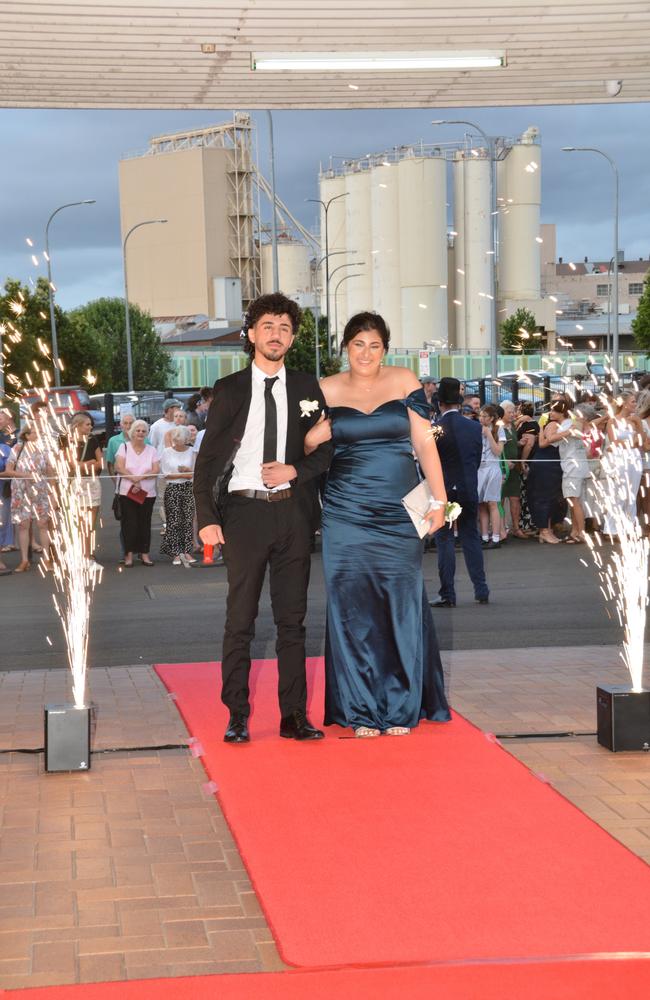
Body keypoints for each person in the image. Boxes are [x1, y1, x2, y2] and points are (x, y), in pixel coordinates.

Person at [193, 292, 332, 744]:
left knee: (293, 620)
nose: (276, 335)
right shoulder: (230, 389)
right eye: (268, 326)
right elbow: (209, 460)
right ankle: (237, 714)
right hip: (244, 512)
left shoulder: (309, 388)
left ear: (292, 339)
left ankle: (293, 715)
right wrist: (205, 517)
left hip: (293, 512)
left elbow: (328, 450)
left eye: (285, 328)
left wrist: (298, 469)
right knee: (241, 620)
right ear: (251, 334)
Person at [305, 311, 450, 738]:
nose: (365, 353)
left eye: (374, 345)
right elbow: (304, 444)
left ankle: (401, 703)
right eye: (357, 344)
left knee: (400, 601)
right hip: (345, 510)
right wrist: (314, 437)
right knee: (351, 606)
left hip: (398, 511)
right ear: (345, 347)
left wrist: (439, 500)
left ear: (385, 349)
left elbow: (425, 443)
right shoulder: (325, 389)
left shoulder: (404, 380)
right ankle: (362, 707)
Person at [429, 377, 489, 608]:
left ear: (439, 403)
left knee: (444, 538)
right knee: (470, 535)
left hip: (444, 489)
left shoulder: (435, 429)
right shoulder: (475, 427)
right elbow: (476, 459)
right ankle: (481, 588)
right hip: (468, 486)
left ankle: (448, 593)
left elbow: (430, 463)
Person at [5, 425, 54, 572]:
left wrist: (53, 492)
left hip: (40, 490)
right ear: (26, 435)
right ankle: (24, 560)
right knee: (23, 525)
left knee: (43, 524)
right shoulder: (17, 449)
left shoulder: (43, 449)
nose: (37, 435)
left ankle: (47, 559)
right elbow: (8, 470)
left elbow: (50, 470)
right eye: (34, 433)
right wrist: (24, 475)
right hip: (21, 490)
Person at [114, 419, 159, 567]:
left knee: (145, 524)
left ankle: (144, 554)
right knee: (129, 524)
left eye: (143, 431)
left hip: (148, 492)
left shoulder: (152, 450)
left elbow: (156, 470)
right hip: (127, 492)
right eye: (138, 430)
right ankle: (129, 555)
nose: (140, 433)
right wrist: (133, 479)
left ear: (147, 433)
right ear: (132, 432)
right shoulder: (124, 447)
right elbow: (119, 467)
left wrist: (141, 478)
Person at [601, 391, 644, 538]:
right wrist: (632, 443)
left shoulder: (635, 420)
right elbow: (614, 442)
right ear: (624, 403)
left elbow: (642, 441)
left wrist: (638, 424)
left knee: (632, 494)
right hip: (619, 459)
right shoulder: (613, 421)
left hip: (635, 458)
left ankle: (629, 527)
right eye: (632, 401)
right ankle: (612, 529)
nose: (635, 404)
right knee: (619, 493)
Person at [65, 412, 103, 562]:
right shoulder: (69, 441)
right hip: (78, 483)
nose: (91, 426)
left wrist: (85, 466)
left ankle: (88, 552)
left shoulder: (93, 440)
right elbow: (72, 464)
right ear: (78, 426)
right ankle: (81, 552)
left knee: (91, 522)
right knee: (80, 521)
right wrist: (88, 464)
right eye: (87, 424)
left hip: (93, 482)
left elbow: (101, 463)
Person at [527, 400, 567, 544]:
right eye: (551, 410)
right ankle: (544, 530)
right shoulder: (553, 424)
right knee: (545, 498)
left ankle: (547, 530)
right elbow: (543, 444)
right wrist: (568, 432)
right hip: (546, 465)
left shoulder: (556, 424)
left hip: (551, 465)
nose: (551, 413)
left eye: (554, 411)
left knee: (551, 498)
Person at [160, 426, 196, 565]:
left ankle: (187, 551)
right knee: (174, 520)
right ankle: (175, 553)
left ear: (186, 439)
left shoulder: (192, 451)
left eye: (179, 439)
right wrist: (185, 474)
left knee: (188, 519)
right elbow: (166, 474)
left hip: (188, 488)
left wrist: (187, 472)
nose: (176, 441)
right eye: (175, 438)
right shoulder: (166, 452)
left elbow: (193, 473)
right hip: (173, 488)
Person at [477, 404, 506, 548]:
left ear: (492, 418)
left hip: (492, 468)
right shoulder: (475, 429)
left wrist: (488, 434)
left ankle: (495, 537)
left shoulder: (499, 430)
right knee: (481, 503)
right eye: (480, 416)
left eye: (485, 416)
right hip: (479, 469)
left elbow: (498, 452)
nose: (481, 419)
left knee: (492, 503)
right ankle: (484, 535)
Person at [500, 400, 525, 539]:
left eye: (513, 411)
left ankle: (516, 528)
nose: (513, 414)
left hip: (514, 468)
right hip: (503, 469)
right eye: (509, 412)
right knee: (501, 499)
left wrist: (520, 443)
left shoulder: (513, 427)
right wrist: (504, 462)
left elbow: (512, 443)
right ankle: (501, 528)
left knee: (515, 499)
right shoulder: (498, 428)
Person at [637, 389, 650, 535]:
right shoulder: (642, 423)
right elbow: (645, 446)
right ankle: (646, 526)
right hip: (646, 465)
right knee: (646, 498)